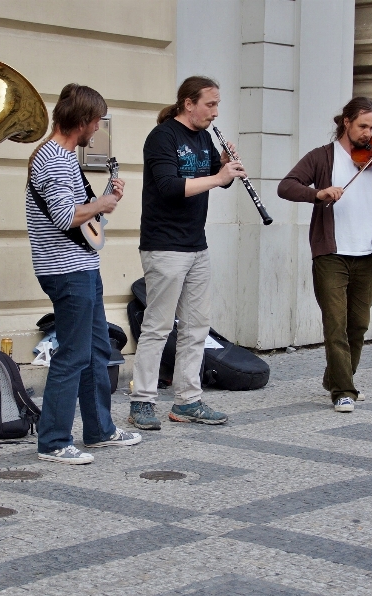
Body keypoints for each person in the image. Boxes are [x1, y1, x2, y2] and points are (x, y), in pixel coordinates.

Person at [277, 97, 372, 413]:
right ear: (346, 122)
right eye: (363, 126)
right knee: (335, 324)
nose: (369, 134)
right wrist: (318, 193)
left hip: (368, 254)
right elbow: (286, 186)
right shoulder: (322, 157)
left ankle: (336, 376)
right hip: (331, 253)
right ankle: (344, 390)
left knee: (357, 325)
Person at [27, 83, 142, 464]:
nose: (98, 130)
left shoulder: (60, 158)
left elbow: (85, 221)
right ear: (82, 122)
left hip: (80, 266)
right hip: (66, 270)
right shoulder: (55, 160)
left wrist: (103, 199)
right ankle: (54, 441)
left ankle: (99, 430)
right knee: (73, 355)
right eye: (96, 122)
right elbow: (65, 216)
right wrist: (104, 201)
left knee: (95, 351)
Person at [127, 76, 246, 430]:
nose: (215, 111)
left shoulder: (204, 137)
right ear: (188, 103)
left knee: (197, 327)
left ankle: (188, 400)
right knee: (158, 326)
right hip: (164, 245)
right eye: (210, 104)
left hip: (196, 244)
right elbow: (168, 186)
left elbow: (208, 175)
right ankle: (142, 401)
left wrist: (221, 165)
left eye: (217, 104)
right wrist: (218, 176)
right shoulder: (163, 137)